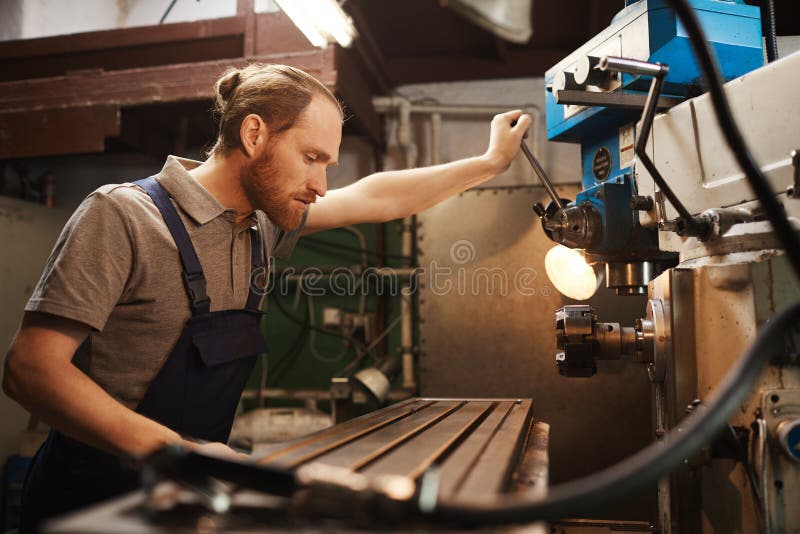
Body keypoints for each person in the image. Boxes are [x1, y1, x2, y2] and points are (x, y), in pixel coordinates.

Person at [2, 63, 532, 529]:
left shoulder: (262, 224)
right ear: (254, 134)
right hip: (89, 501)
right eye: (311, 157)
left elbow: (375, 194)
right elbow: (31, 369)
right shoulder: (121, 216)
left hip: (188, 496)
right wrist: (177, 452)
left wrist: (487, 164)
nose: (321, 185)